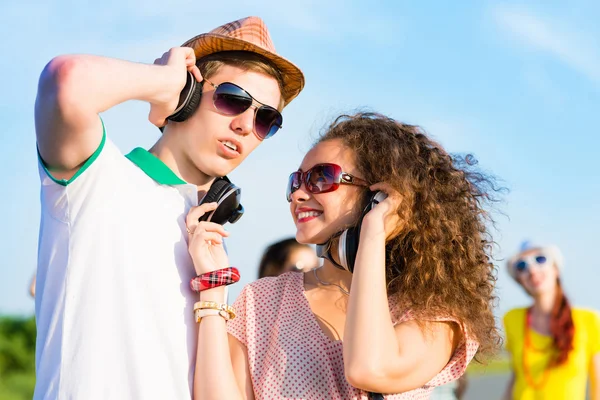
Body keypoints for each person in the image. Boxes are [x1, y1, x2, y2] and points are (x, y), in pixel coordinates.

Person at [33, 16, 304, 399]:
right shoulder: (95, 179)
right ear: (189, 93)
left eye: (266, 119)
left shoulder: (210, 239)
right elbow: (64, 80)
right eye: (232, 99)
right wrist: (163, 85)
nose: (246, 124)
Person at [185, 112, 501, 399]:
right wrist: (214, 288)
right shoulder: (263, 299)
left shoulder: (431, 311)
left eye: (321, 177)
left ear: (380, 196)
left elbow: (370, 368)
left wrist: (373, 232)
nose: (298, 193)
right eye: (296, 181)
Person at [502, 242, 600, 400]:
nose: (532, 270)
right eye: (522, 266)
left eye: (540, 259)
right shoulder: (512, 318)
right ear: (520, 280)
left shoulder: (589, 319)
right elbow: (516, 376)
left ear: (555, 269)